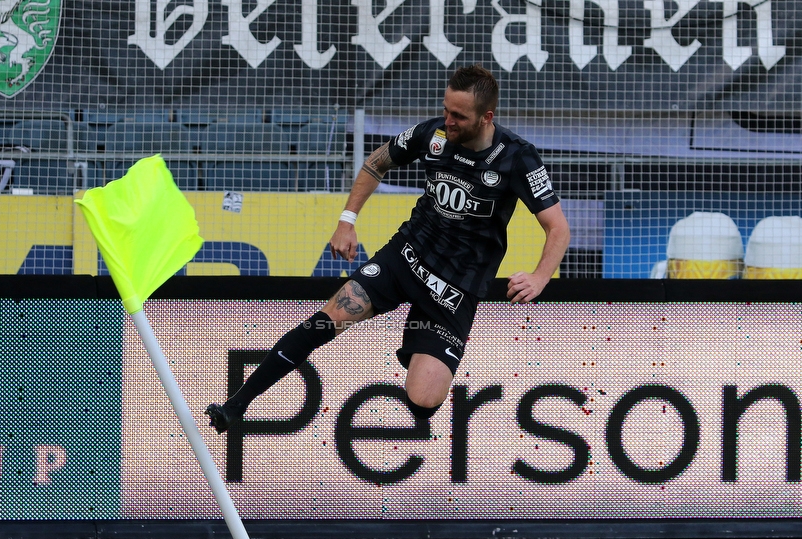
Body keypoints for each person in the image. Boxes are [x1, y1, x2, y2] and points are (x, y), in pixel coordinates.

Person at [207, 64, 570, 432]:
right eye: (446, 109)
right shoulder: (433, 134)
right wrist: (346, 220)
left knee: (424, 401)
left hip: (454, 288)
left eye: (459, 115)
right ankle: (235, 406)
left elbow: (557, 227)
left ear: (486, 117)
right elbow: (375, 163)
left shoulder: (518, 157)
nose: (449, 120)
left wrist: (541, 277)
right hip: (406, 257)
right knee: (323, 323)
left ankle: (419, 332)